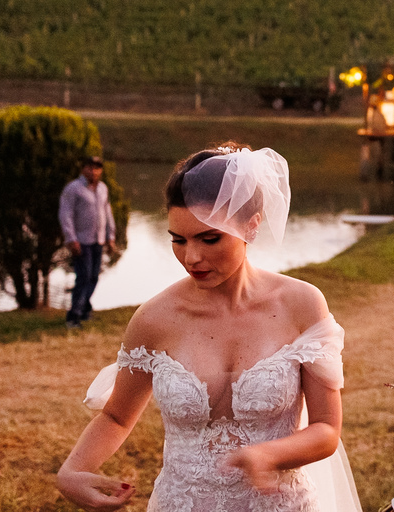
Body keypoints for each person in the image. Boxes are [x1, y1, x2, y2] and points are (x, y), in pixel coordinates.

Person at [57, 144, 361, 512]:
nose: (191, 257)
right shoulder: (153, 319)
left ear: (252, 225)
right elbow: (116, 416)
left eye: (209, 238)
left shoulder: (302, 305)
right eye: (178, 239)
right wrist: (72, 471)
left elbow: (326, 429)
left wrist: (268, 454)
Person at [59, 155, 117, 329]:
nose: (93, 171)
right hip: (81, 241)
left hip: (98, 240)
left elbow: (107, 212)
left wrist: (111, 236)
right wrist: (71, 239)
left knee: (93, 277)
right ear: (83, 169)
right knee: (83, 277)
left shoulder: (103, 188)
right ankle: (73, 316)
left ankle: (84, 309)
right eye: (90, 167)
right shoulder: (73, 189)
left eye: (97, 168)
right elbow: (65, 214)